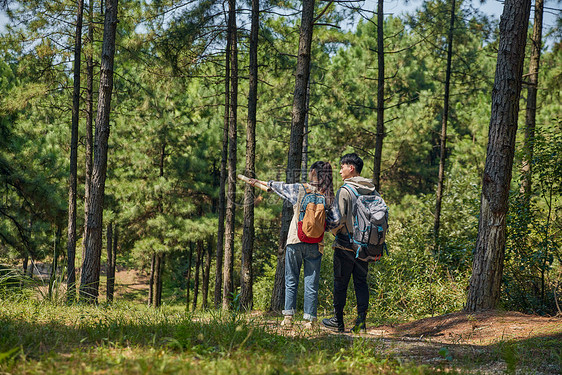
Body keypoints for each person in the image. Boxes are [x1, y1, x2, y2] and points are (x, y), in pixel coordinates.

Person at [249, 161, 340, 329]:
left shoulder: (300, 189)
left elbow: (278, 186)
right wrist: (320, 226)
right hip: (316, 244)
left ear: (313, 172)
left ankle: (288, 318)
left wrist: (261, 182)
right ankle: (309, 320)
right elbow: (335, 221)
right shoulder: (328, 196)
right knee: (311, 282)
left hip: (295, 240)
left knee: (291, 279)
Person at [322, 153, 377, 333]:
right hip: (365, 245)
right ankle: (361, 323)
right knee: (361, 282)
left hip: (345, 243)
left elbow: (338, 219)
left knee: (340, 283)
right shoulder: (371, 189)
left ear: (350, 168)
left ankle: (338, 322)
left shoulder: (345, 190)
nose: (339, 171)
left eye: (342, 167)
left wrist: (335, 232)